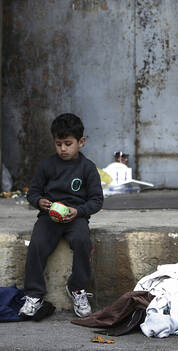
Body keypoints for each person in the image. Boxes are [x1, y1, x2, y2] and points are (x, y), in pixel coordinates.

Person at [19, 113, 104, 318]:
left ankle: (77, 289)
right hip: (49, 218)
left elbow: (96, 200)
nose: (63, 149)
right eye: (58, 144)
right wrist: (39, 202)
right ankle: (34, 294)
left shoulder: (88, 168)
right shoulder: (46, 165)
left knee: (83, 242)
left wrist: (79, 211)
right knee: (37, 244)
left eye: (68, 143)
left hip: (76, 218)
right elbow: (33, 193)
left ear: (81, 142)